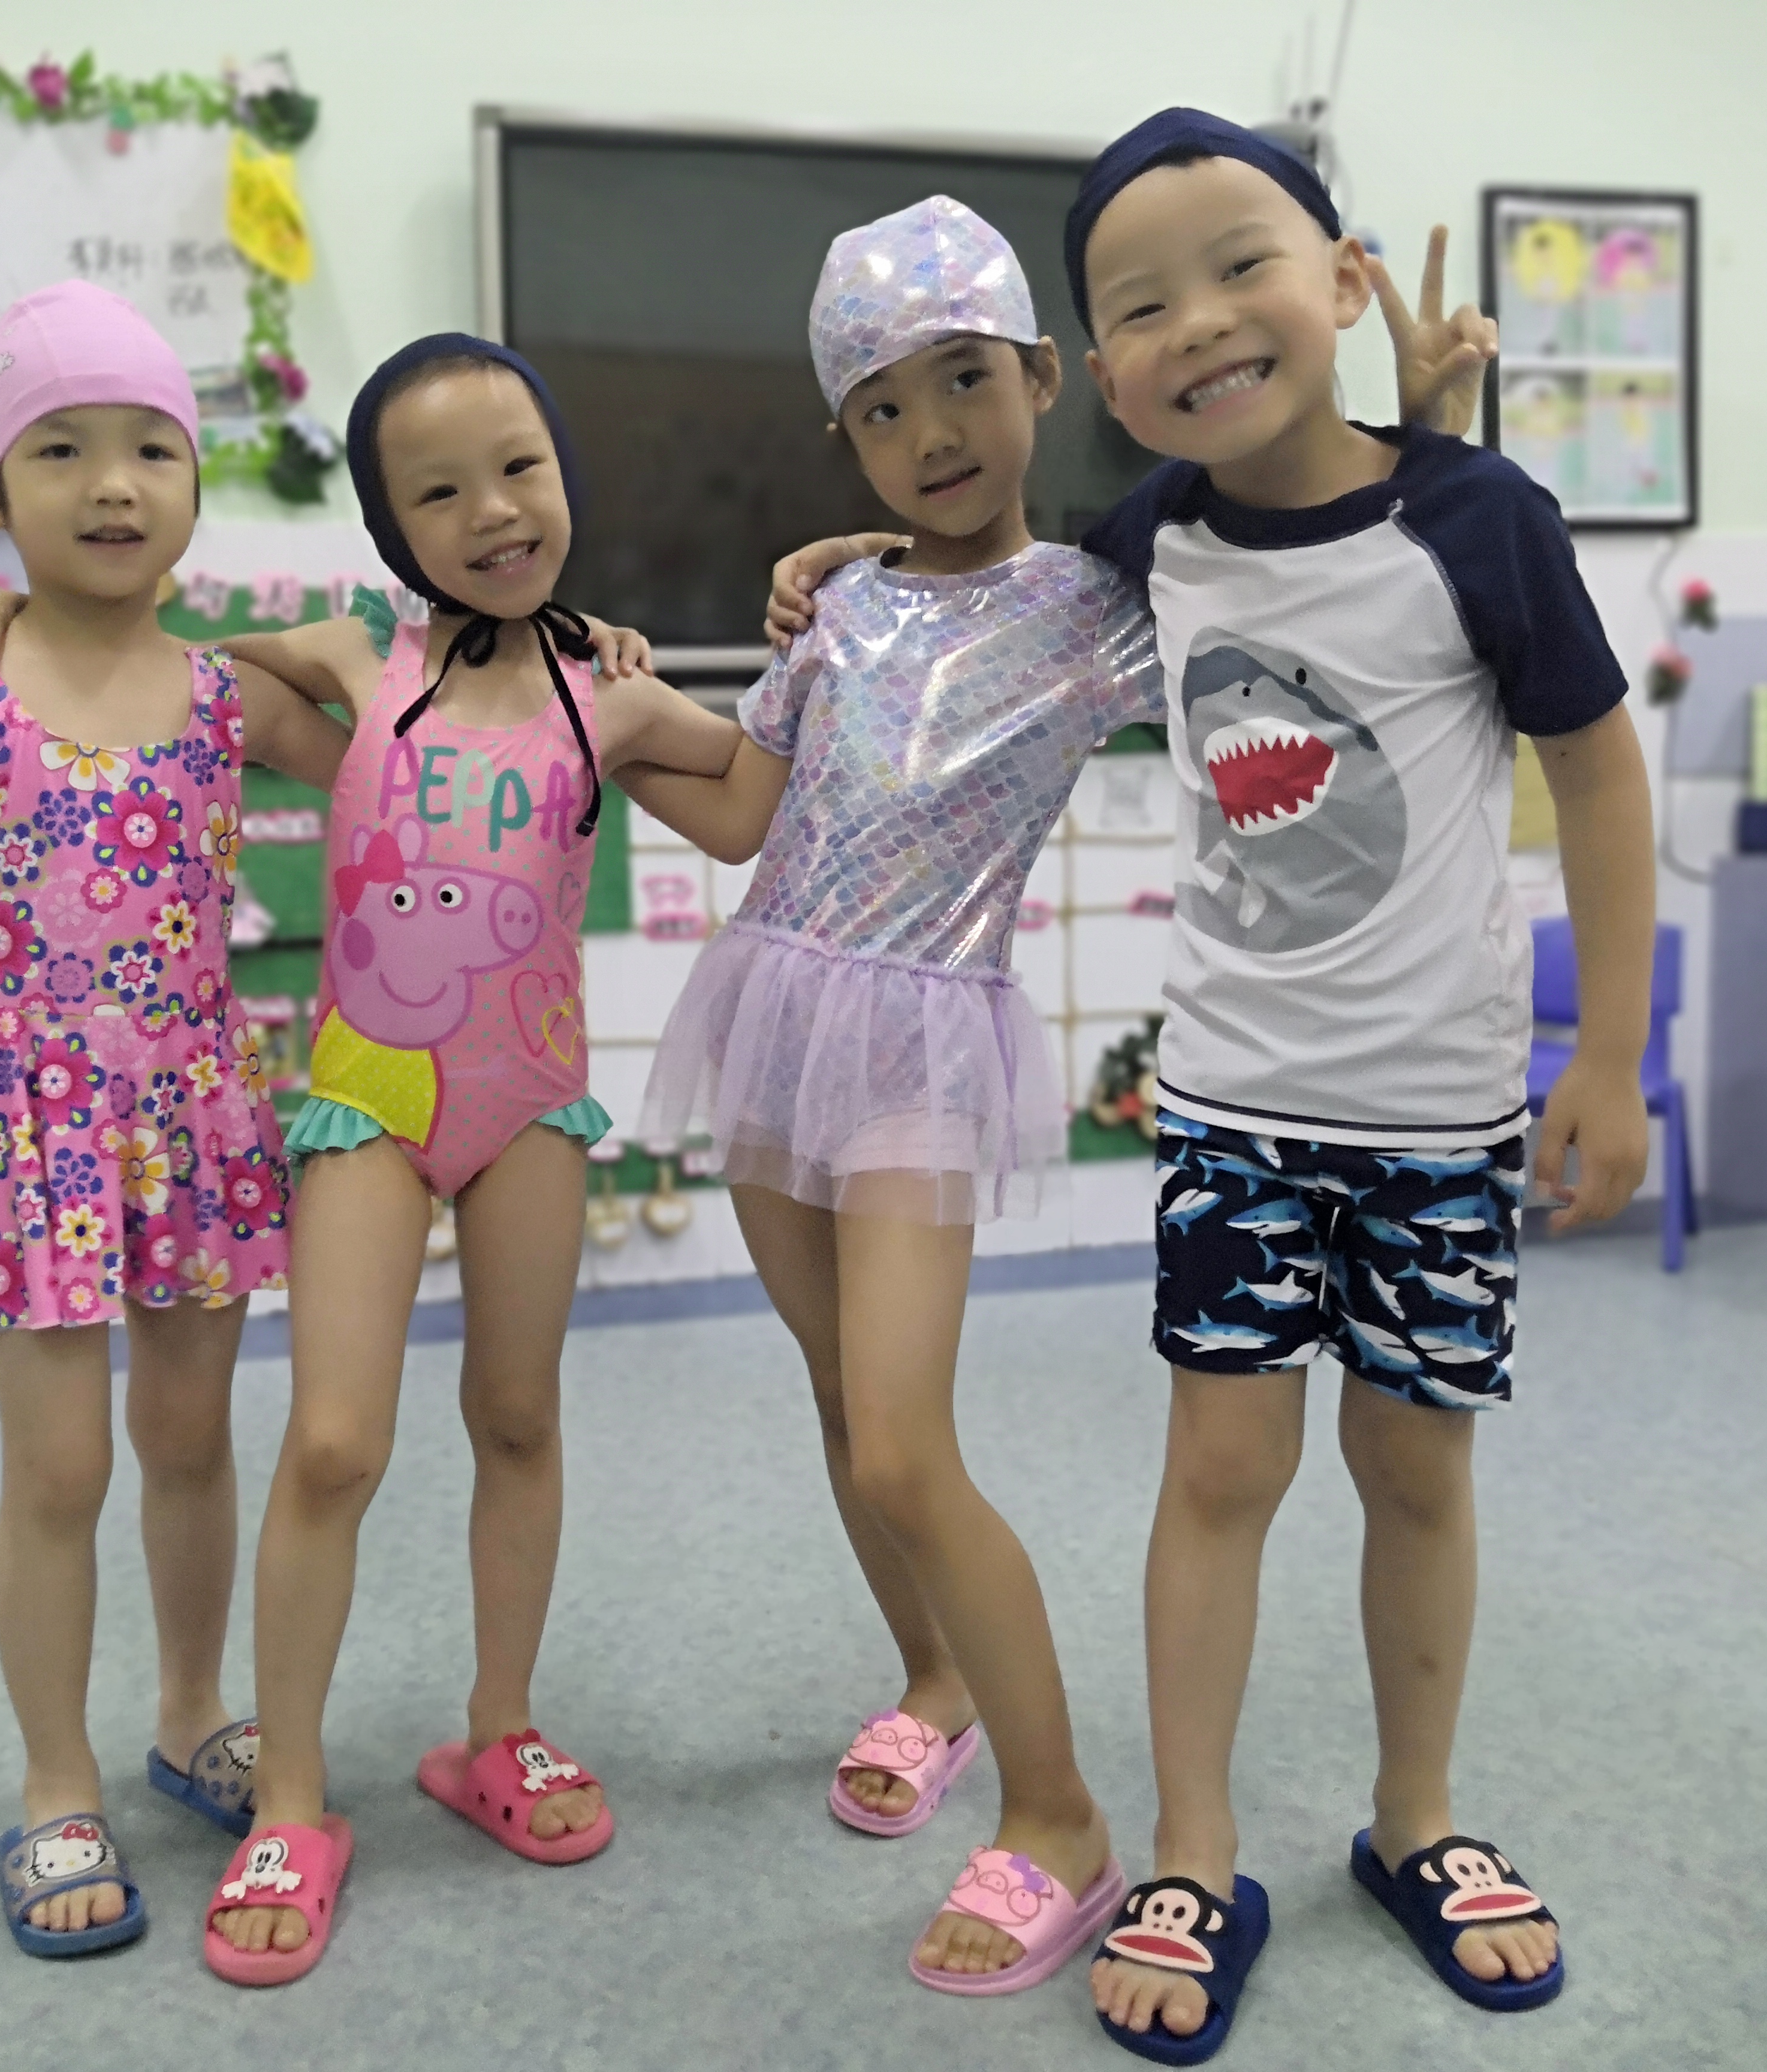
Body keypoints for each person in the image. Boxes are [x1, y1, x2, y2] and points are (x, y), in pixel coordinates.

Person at [632, 194, 1489, 1999]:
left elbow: (1313, 555)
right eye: (882, 408)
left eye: (964, 381)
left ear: (1042, 377)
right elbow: (740, 811)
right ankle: (935, 1681)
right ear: (847, 438)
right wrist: (606, 720)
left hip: (928, 1045)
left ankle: (1060, 1819)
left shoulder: (1115, 604)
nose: (931, 433)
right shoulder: (840, 606)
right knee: (839, 1401)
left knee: (899, 1440)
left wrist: (1431, 437)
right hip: (773, 1011)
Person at [1060, 110, 1653, 2057]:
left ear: (1342, 281)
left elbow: (1597, 772)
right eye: (1140, 305)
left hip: (1441, 1118)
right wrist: (840, 567)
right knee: (1220, 1474)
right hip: (1237, 1109)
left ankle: (1417, 1823)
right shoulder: (1145, 543)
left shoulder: (1478, 520)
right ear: (1104, 371)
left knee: (1417, 1471)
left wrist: (1609, 1055)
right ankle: (1193, 1849)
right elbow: (980, 600)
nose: (1201, 323)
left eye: (1244, 266)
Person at [196, 335, 739, 1985]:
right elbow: (173, 670)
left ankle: (498, 1730)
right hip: (367, 1101)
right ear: (390, 528)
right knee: (334, 1443)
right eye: (439, 493)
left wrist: (830, 624)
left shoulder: (609, 694)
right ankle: (293, 1796)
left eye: (521, 467)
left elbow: (753, 806)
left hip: (531, 1107)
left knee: (518, 1417)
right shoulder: (361, 659)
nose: (494, 510)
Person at [0, 281, 350, 1959]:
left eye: (153, 447)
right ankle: (54, 1781)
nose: (113, 483)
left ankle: (191, 1713)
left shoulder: (223, 698)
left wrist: (317, 648)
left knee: (192, 1441)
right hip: (26, 1125)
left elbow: (400, 752)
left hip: (191, 1106)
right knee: (59, 1464)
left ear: (196, 484)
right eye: (60, 448)